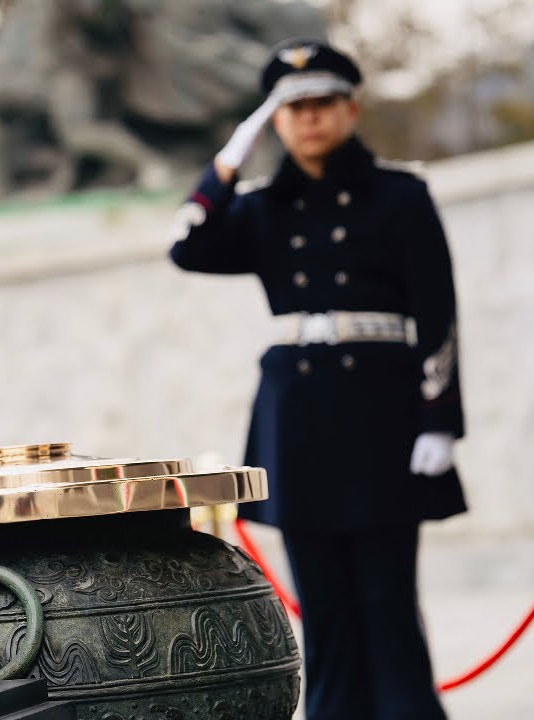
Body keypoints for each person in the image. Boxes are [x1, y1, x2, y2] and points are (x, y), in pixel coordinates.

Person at [169, 39, 466, 720]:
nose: (309, 117)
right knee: (323, 604)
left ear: (351, 107)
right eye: (291, 107)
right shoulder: (263, 207)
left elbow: (439, 313)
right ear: (274, 120)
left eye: (323, 102)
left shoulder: (400, 196)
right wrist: (228, 160)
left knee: (387, 599)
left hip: (382, 415)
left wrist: (441, 418)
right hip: (297, 420)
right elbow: (187, 245)